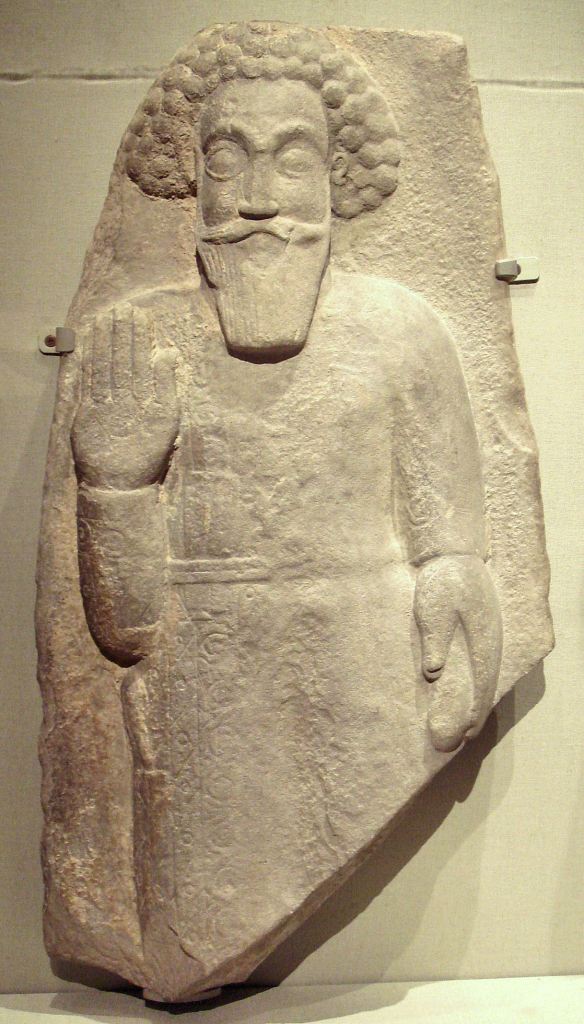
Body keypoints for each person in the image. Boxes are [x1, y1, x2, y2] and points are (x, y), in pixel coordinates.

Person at [70, 22, 502, 999]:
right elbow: (125, 630)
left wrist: (455, 576)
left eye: (292, 159)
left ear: (336, 179)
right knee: (195, 919)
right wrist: (116, 484)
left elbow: (451, 547)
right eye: (229, 160)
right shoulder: (134, 340)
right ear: (194, 176)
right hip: (201, 714)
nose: (258, 196)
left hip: (364, 681)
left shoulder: (401, 331)